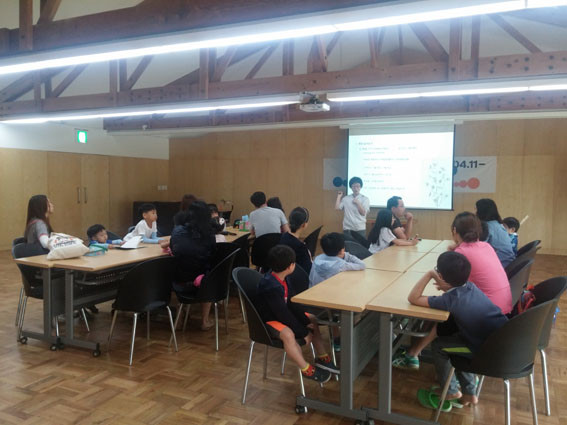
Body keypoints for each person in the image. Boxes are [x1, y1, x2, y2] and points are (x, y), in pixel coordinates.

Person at [393, 212, 512, 371]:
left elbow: (447, 283)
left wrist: (453, 253)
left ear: (454, 230)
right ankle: (414, 351)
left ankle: (414, 352)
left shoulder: (461, 254)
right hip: (500, 312)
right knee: (442, 309)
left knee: (440, 313)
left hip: (484, 315)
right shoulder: (486, 246)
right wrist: (457, 248)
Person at [407, 251, 508, 407]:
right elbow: (455, 292)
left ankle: (451, 391)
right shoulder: (471, 287)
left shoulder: (449, 300)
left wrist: (430, 274)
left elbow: (413, 298)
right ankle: (469, 394)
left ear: (441, 276)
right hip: (502, 339)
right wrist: (442, 280)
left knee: (440, 346)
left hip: (486, 351)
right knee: (458, 341)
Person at [254, 245, 339, 382]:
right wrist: (303, 332)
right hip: (268, 320)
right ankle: (305, 368)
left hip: (280, 315)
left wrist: (306, 322)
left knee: (312, 319)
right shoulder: (271, 286)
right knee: (288, 334)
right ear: (290, 266)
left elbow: (292, 303)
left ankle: (322, 357)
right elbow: (282, 314)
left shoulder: (284, 277)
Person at [170, 201, 216, 331]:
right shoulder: (209, 234)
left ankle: (179, 317)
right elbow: (213, 254)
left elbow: (174, 250)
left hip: (179, 282)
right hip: (204, 283)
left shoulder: (177, 231)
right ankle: (205, 321)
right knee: (209, 272)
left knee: (180, 267)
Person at [475, 199, 515, 267]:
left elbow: (477, 248)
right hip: (507, 262)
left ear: (481, 211)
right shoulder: (496, 224)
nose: (474, 213)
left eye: (476, 209)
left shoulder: (487, 227)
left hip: (501, 264)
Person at [280, 207, 312, 275]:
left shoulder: (282, 238)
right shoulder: (301, 247)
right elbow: (308, 270)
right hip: (296, 278)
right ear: (304, 225)